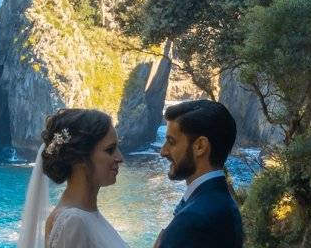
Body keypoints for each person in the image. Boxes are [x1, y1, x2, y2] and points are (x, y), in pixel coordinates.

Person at [17, 108, 128, 248]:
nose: (120, 158)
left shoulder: (85, 217)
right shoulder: (73, 222)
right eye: (110, 150)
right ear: (80, 158)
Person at [155, 100, 244, 248]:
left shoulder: (192, 220)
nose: (163, 151)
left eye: (171, 141)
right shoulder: (226, 205)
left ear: (200, 146)